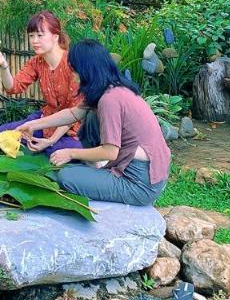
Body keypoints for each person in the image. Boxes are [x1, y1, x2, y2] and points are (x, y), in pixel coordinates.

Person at [41, 39, 170, 206]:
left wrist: (70, 153)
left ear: (85, 70)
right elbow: (73, 113)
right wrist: (32, 125)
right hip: (145, 170)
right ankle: (97, 168)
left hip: (139, 183)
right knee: (90, 116)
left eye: (74, 70)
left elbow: (110, 152)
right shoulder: (113, 88)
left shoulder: (109, 100)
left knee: (66, 177)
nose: (73, 76)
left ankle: (99, 172)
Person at [0, 10, 87, 156]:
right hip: (44, 120)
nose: (34, 41)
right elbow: (13, 87)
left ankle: (50, 146)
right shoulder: (37, 62)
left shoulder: (72, 63)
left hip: (72, 128)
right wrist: (3, 65)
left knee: (54, 150)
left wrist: (51, 140)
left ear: (55, 36)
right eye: (31, 36)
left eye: (40, 35)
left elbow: (73, 113)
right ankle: (40, 144)